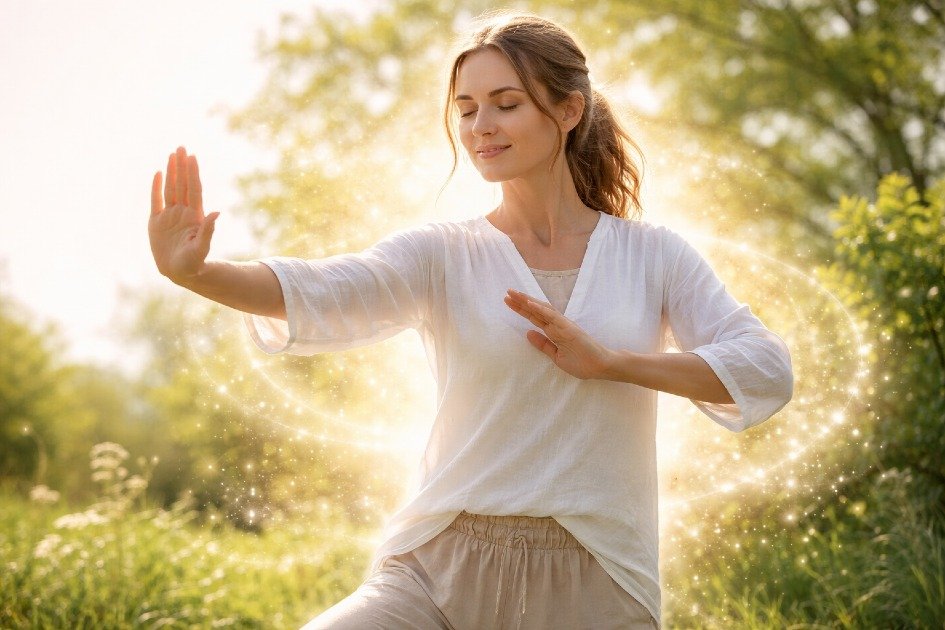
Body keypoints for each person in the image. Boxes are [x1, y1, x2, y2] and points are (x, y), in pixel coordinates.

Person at [148, 11, 793, 630]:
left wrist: (613, 363)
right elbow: (325, 289)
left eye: (506, 104)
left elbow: (765, 368)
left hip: (597, 579)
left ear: (570, 110)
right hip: (439, 567)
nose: (481, 126)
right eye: (466, 109)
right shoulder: (442, 254)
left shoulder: (654, 256)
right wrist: (198, 274)